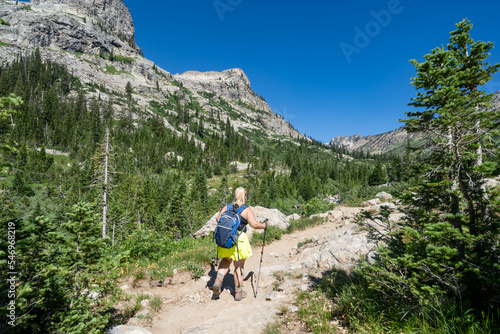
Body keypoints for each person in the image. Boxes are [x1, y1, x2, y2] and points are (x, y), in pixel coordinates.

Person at [213, 187, 268, 301]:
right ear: (245, 196)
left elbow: (218, 219)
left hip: (227, 239)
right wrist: (264, 225)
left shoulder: (227, 207)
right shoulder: (246, 209)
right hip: (239, 241)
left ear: (235, 196)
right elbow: (254, 225)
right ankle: (238, 292)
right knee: (239, 266)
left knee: (226, 261)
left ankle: (218, 280)